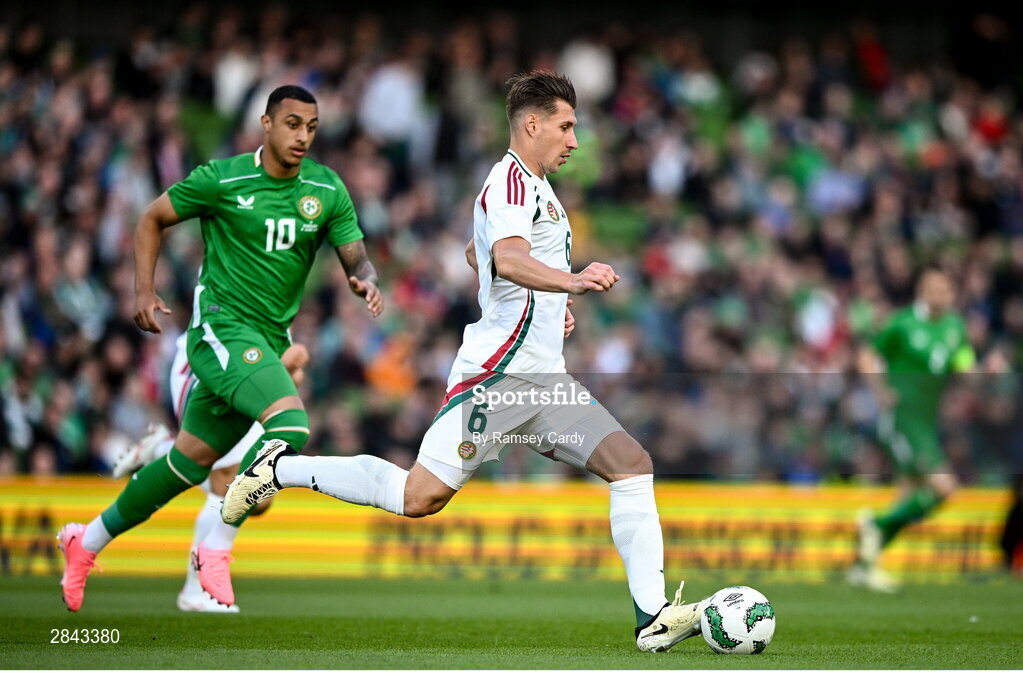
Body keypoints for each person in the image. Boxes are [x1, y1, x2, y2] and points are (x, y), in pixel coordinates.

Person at [220, 71, 707, 653]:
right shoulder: (511, 181)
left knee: (630, 463)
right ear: (533, 124)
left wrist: (549, 300)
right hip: (499, 377)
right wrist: (570, 282)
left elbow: (477, 251)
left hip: (543, 379)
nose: (575, 139)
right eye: (567, 125)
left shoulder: (538, 189)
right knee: (417, 497)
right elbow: (503, 257)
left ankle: (652, 616)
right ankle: (280, 468)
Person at [57, 84, 383, 612]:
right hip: (221, 332)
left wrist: (364, 280)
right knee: (290, 426)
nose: (303, 136)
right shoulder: (223, 179)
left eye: (312, 127)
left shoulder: (326, 189)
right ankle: (216, 547)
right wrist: (144, 289)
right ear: (267, 123)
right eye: (293, 124)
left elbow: (355, 255)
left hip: (268, 341)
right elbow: (151, 218)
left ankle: (85, 542)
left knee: (188, 466)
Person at [111, 335, 309, 612]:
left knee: (259, 499)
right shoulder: (253, 296)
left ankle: (164, 448)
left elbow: (287, 374)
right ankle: (195, 590)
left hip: (242, 379)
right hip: (204, 366)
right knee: (227, 486)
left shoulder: (282, 311)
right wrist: (290, 361)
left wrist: (289, 367)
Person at [849, 267, 974, 592]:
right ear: (921, 291)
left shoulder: (954, 326)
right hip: (903, 418)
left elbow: (963, 363)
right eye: (933, 289)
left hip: (927, 422)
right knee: (943, 487)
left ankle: (864, 564)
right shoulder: (903, 324)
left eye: (945, 290)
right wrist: (880, 391)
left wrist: (983, 368)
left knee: (909, 495)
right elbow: (866, 356)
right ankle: (874, 524)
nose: (940, 295)